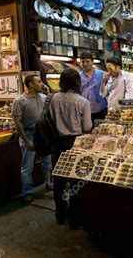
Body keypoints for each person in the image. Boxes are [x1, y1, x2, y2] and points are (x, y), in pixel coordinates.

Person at [49, 68, 92, 228]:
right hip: (75, 143)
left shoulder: (52, 99)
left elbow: (50, 121)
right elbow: (87, 127)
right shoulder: (82, 102)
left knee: (58, 180)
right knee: (75, 181)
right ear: (77, 82)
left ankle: (60, 214)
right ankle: (74, 218)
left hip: (56, 143)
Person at [12, 74, 52, 203]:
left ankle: (49, 183)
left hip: (43, 135)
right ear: (31, 84)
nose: (42, 84)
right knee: (27, 166)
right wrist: (26, 140)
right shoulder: (19, 100)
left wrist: (48, 93)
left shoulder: (43, 97)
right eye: (39, 82)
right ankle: (28, 191)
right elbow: (17, 122)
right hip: (29, 135)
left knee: (47, 161)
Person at [79, 52, 107, 122]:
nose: (85, 64)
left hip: (100, 109)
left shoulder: (101, 74)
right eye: (83, 62)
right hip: (84, 110)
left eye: (87, 61)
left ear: (92, 62)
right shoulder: (78, 76)